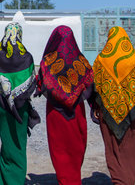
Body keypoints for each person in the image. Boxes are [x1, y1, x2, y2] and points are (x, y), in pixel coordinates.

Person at [36, 25, 95, 185]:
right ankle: (73, 179)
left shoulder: (48, 62)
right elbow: (91, 84)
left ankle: (65, 179)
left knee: (59, 147)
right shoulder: (81, 61)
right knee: (76, 145)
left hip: (55, 113)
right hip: (76, 111)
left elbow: (40, 84)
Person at [92, 26, 135, 185]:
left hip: (107, 115)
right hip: (132, 115)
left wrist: (96, 107)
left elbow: (95, 89)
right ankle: (128, 181)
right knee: (130, 149)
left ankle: (118, 180)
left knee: (113, 149)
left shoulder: (101, 60)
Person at [0, 22, 40, 185]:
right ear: (19, 34)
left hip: (2, 107)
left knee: (6, 142)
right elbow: (32, 83)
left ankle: (4, 180)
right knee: (18, 143)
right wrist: (18, 97)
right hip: (21, 107)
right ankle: (17, 180)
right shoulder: (27, 57)